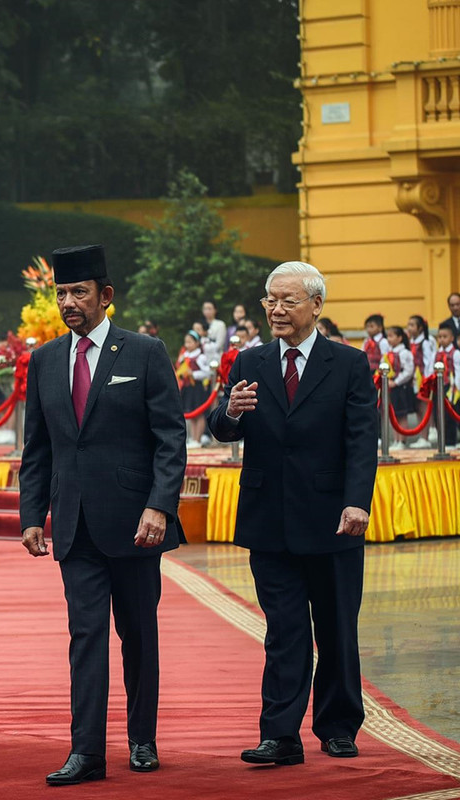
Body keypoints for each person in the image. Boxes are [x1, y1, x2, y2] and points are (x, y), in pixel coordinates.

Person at [19, 245, 186, 786]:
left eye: (79, 293)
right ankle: (86, 751)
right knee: (84, 635)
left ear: (105, 296)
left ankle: (142, 739)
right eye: (62, 294)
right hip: (73, 527)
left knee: (138, 635)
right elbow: (37, 448)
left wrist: (160, 505)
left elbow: (170, 437)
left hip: (137, 525)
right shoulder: (44, 360)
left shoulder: (143, 352)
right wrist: (31, 516)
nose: (69, 303)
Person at [209, 260, 377, 766]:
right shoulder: (250, 360)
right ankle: (280, 736)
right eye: (270, 300)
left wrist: (356, 501)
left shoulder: (347, 364)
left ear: (316, 306)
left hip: (332, 518)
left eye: (288, 301)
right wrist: (232, 411)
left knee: (336, 627)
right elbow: (222, 426)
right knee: (283, 631)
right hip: (269, 519)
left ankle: (338, 725)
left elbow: (361, 441)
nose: (277, 310)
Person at [175, 331, 212, 448]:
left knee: (199, 413)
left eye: (190, 342)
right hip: (187, 388)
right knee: (190, 413)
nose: (187, 345)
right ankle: (192, 438)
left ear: (197, 343)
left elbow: (207, 372)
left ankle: (198, 438)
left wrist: (193, 374)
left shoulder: (200, 357)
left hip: (197, 388)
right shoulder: (184, 356)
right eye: (186, 342)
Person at [384, 326, 417, 449]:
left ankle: (402, 440)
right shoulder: (389, 353)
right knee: (393, 414)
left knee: (402, 414)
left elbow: (409, 371)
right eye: (388, 336)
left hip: (401, 387)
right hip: (390, 387)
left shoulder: (405, 353)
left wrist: (396, 382)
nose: (389, 339)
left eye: (392, 336)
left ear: (400, 338)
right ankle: (395, 440)